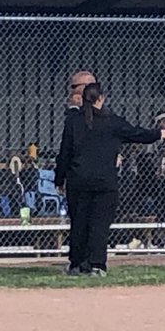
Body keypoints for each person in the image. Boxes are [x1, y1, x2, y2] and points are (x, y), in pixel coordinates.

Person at [55, 81, 165, 276]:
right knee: (99, 225)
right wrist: (158, 133)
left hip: (78, 181)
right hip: (104, 182)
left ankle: (77, 263)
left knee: (79, 223)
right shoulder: (112, 121)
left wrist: (59, 179)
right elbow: (136, 134)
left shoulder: (73, 121)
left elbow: (64, 153)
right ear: (101, 99)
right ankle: (97, 264)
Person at [60, 70, 96, 269]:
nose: (71, 92)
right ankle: (79, 261)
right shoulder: (73, 116)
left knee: (94, 221)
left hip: (96, 175)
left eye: (75, 87)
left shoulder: (100, 115)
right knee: (79, 220)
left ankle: (91, 261)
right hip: (78, 175)